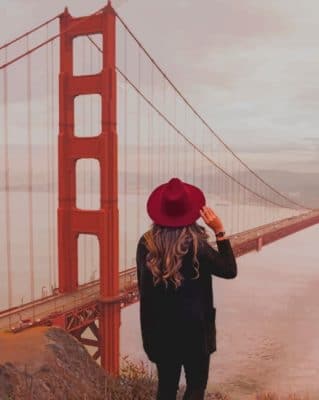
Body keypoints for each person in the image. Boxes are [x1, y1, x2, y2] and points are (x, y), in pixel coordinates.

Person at [136, 177, 237, 400]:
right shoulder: (197, 246)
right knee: (195, 387)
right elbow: (229, 270)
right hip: (196, 333)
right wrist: (219, 231)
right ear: (189, 211)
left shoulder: (146, 244)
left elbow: (142, 288)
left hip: (160, 332)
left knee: (166, 388)